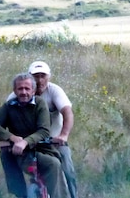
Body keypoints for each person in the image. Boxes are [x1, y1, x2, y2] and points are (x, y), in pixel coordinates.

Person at [0, 73, 69, 198]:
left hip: (41, 148)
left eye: (27, 88)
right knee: (7, 158)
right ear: (15, 90)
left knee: (53, 164)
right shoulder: (9, 106)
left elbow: (44, 131)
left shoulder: (40, 104)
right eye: (20, 89)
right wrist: (11, 137)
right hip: (19, 152)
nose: (23, 92)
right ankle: (17, 195)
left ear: (33, 90)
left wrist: (25, 142)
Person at [6, 61, 78, 198]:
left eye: (43, 76)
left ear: (49, 77)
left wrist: (64, 135)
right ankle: (17, 194)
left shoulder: (54, 91)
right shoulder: (18, 94)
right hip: (28, 143)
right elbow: (4, 118)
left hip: (54, 142)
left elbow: (67, 112)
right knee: (9, 162)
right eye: (35, 76)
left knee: (68, 170)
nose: (39, 80)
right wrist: (10, 139)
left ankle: (73, 195)